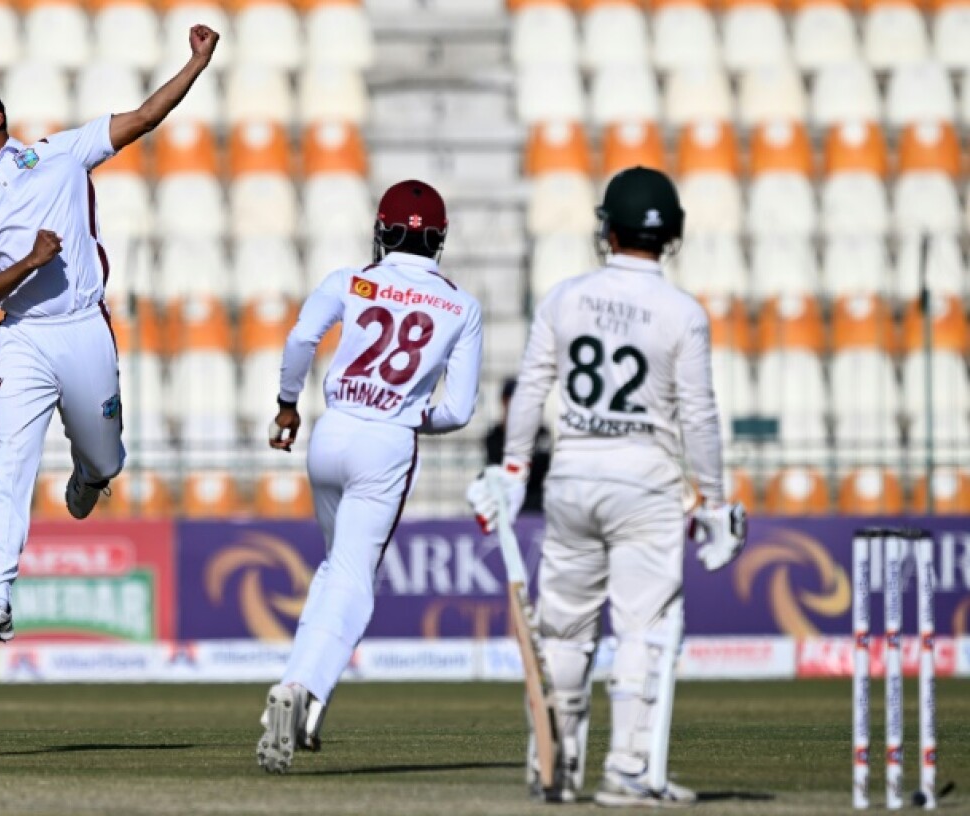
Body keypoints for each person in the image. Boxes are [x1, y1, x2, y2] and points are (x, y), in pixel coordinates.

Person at [466, 167, 747, 806]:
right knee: (643, 629)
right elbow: (699, 415)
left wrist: (513, 472)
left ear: (607, 228)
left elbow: (532, 388)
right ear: (670, 234)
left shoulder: (566, 296)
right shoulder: (683, 313)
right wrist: (716, 502)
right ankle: (627, 771)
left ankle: (555, 768)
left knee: (564, 631)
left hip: (571, 475)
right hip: (645, 482)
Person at [0, 25, 221, 647]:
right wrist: (30, 264)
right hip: (24, 338)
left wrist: (196, 63)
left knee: (105, 454)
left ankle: (92, 475)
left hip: (84, 327)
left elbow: (147, 116)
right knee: (11, 463)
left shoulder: (59, 151)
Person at [257, 180, 484, 774]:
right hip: (385, 441)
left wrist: (286, 404)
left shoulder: (352, 279)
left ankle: (300, 697)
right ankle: (303, 690)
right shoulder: (461, 305)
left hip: (330, 432)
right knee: (355, 579)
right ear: (439, 240)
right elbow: (458, 411)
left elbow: (303, 337)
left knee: (334, 571)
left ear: (383, 231)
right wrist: (412, 415)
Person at [484, 377, 550, 513]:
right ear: (504, 401)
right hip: (504, 504)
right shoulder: (494, 436)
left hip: (535, 504)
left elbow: (540, 470)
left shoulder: (541, 432)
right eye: (513, 399)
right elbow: (499, 473)